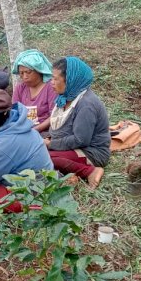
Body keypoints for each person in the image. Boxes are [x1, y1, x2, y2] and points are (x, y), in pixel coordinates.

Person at [44, 57, 110, 188]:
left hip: (91, 151)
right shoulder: (65, 97)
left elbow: (81, 140)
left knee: (45, 158)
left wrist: (51, 144)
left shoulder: (86, 105)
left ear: (70, 80)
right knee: (36, 150)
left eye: (55, 79)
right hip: (74, 147)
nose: (51, 82)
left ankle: (91, 171)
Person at [11, 49, 57, 133]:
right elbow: (15, 113)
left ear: (39, 71)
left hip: (45, 132)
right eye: (21, 73)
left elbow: (54, 116)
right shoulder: (20, 88)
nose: (24, 76)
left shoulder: (50, 87)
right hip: (22, 130)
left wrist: (34, 130)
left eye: (28, 72)